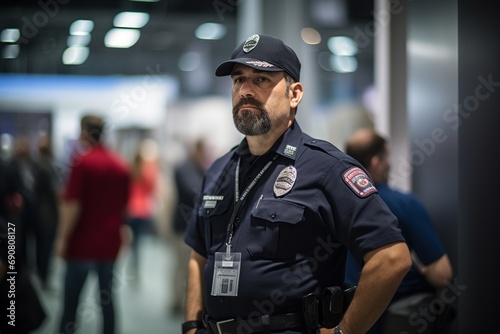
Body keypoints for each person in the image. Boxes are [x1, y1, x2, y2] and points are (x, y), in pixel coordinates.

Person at [182, 34, 412, 334]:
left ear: (295, 94)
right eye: (238, 80)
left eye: (261, 80)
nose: (245, 90)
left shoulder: (327, 168)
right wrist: (190, 325)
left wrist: (345, 331)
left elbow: (392, 257)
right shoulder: (219, 170)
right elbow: (198, 256)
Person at [343, 128, 454, 334]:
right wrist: (419, 267)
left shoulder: (335, 207)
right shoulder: (406, 204)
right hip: (399, 319)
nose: (390, 164)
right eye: (387, 157)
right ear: (376, 162)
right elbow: (442, 275)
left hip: (351, 317)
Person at [55, 114, 131, 334]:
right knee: (107, 301)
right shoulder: (120, 165)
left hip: (81, 245)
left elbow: (73, 206)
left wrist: (61, 238)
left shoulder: (82, 163)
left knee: (71, 303)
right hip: (109, 244)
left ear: (84, 131)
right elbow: (124, 208)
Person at [171, 139, 208, 315]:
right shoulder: (183, 168)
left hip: (197, 225)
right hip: (183, 226)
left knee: (193, 267)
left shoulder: (201, 168)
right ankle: (177, 301)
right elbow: (192, 190)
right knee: (181, 266)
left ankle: (187, 301)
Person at [126, 138, 161, 280]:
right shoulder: (150, 170)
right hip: (143, 211)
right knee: (139, 242)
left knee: (133, 242)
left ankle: (133, 265)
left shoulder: (131, 169)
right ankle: (135, 267)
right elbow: (153, 189)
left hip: (131, 210)